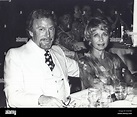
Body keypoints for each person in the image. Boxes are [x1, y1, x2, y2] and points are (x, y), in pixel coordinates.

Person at [4, 9, 80, 108]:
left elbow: (80, 68)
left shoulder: (57, 52)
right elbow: (12, 98)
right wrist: (42, 99)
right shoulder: (16, 55)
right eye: (41, 29)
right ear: (31, 32)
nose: (48, 35)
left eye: (51, 29)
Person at [78, 17, 134, 90]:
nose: (101, 39)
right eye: (96, 35)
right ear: (89, 39)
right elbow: (95, 86)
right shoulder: (85, 62)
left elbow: (130, 80)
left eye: (104, 34)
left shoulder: (114, 59)